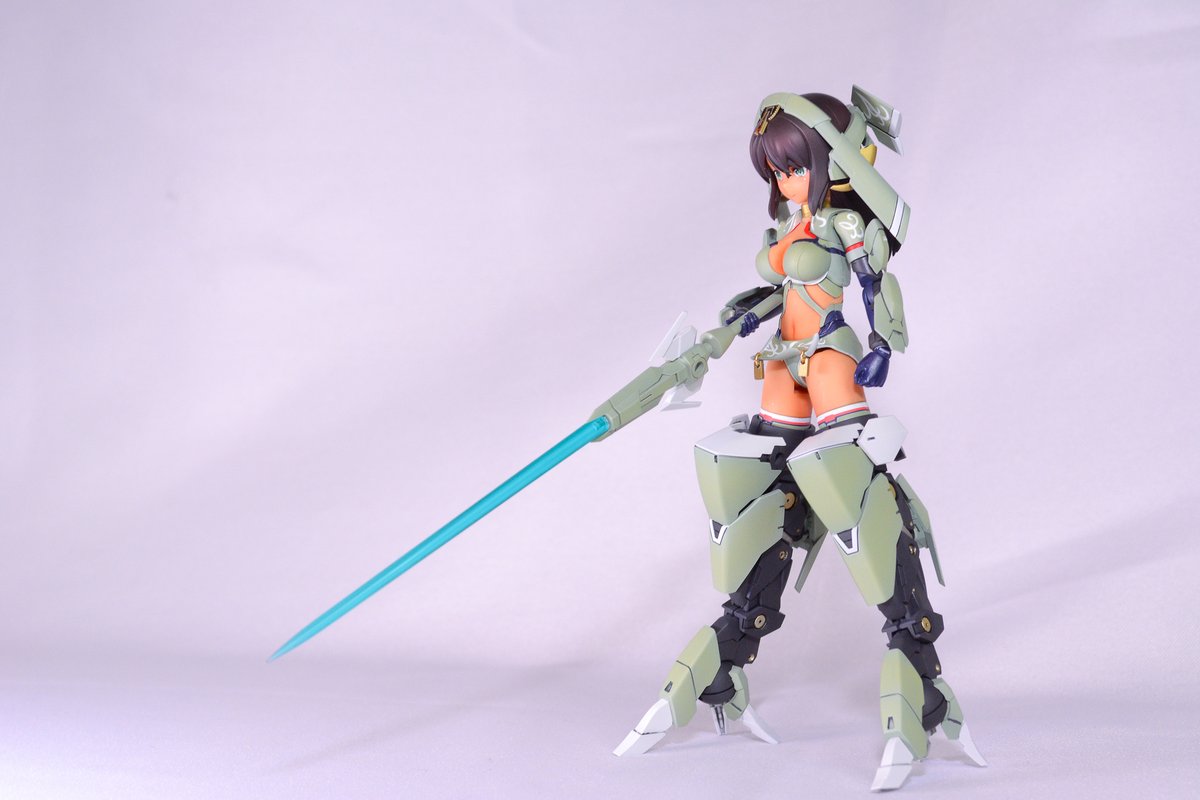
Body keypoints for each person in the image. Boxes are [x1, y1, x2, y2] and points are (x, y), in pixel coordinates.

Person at [613, 88, 986, 793]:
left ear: (832, 158)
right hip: (781, 362)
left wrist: (884, 342)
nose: (786, 181)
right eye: (777, 170)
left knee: (848, 486)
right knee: (755, 490)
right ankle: (727, 655)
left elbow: (877, 277)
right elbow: (771, 296)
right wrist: (715, 340)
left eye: (796, 165)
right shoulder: (788, 224)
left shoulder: (845, 220)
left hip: (830, 353)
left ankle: (915, 659)